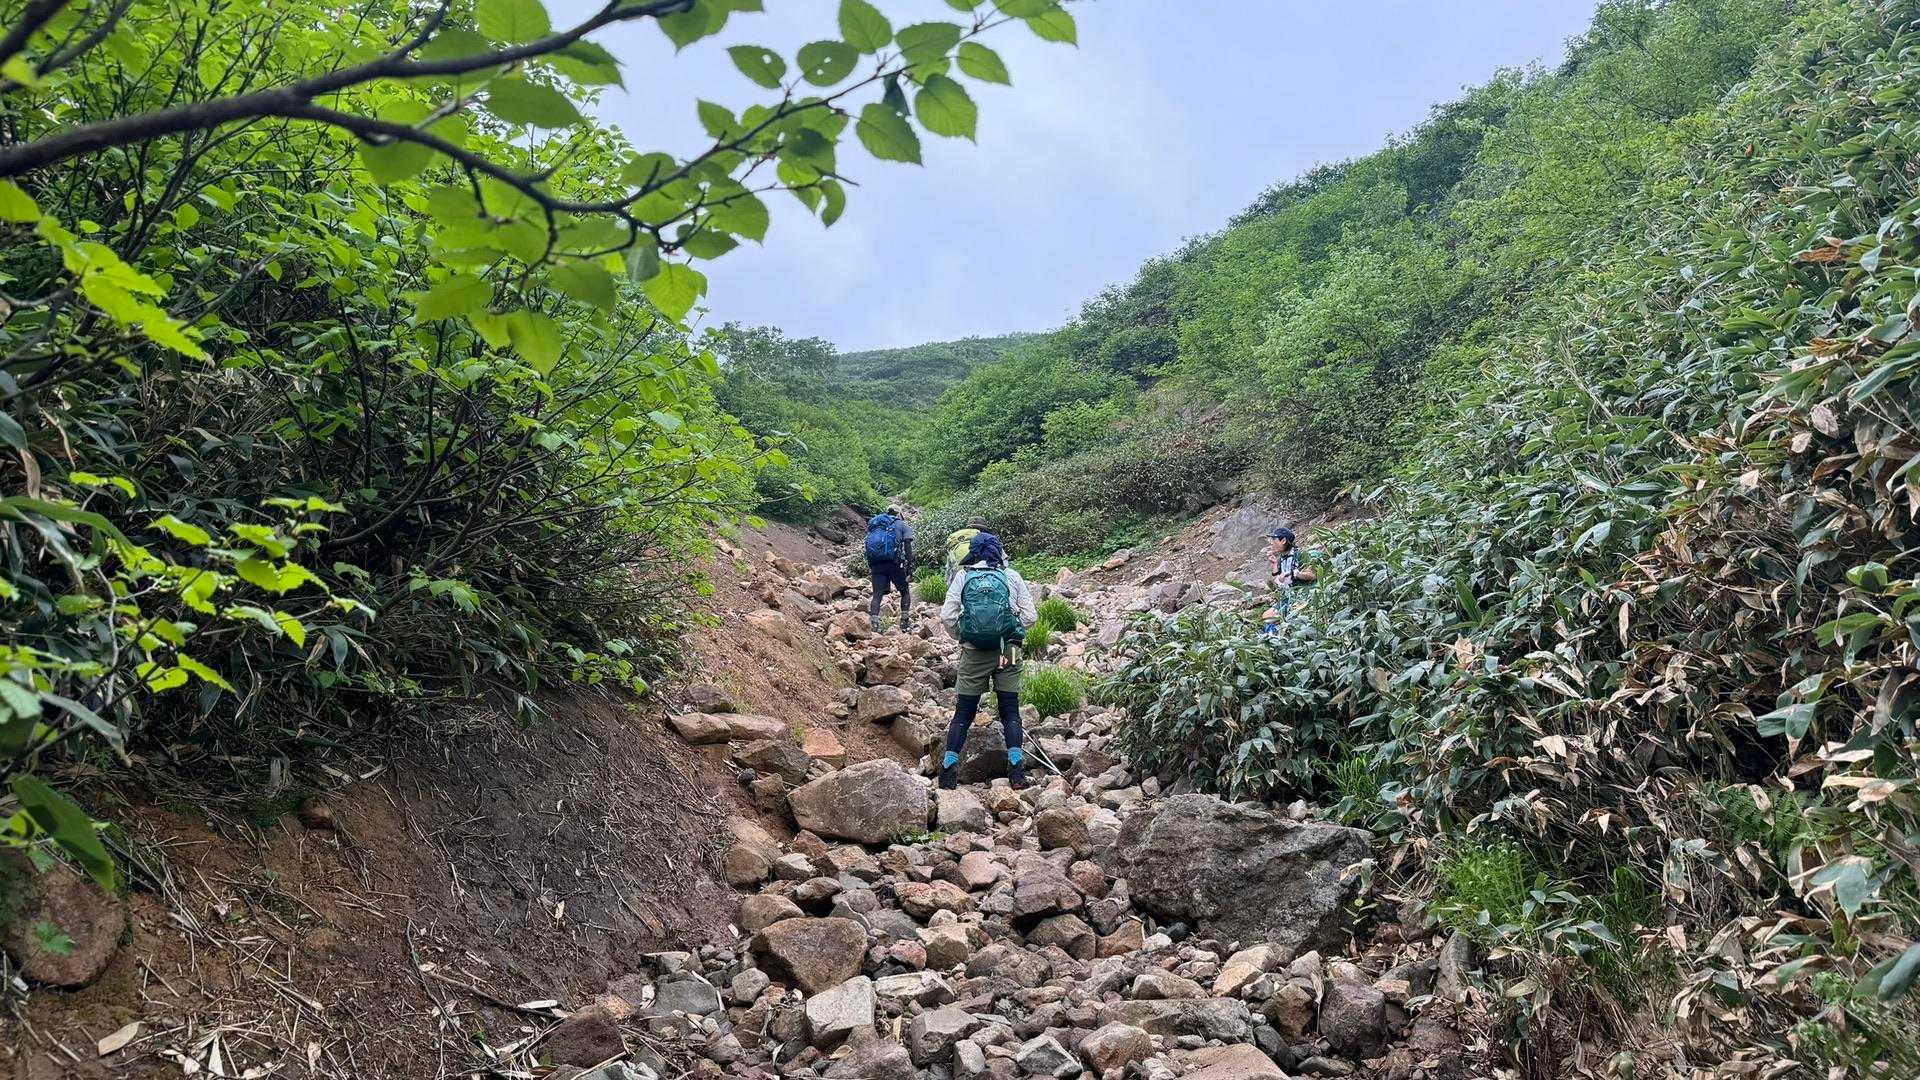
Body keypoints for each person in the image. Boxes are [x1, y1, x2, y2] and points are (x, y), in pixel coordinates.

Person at [938, 531, 1038, 789]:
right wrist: (1013, 632)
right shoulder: (1011, 576)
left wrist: (964, 636)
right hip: (1009, 651)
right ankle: (1016, 773)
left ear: (974, 552)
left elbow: (947, 616)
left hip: (973, 652)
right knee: (1010, 710)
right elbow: (1031, 616)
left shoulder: (963, 576)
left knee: (963, 713)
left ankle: (948, 773)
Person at [864, 506, 915, 632]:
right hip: (894, 564)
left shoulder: (877, 525)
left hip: (876, 564)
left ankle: (874, 625)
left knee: (877, 595)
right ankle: (904, 624)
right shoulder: (901, 524)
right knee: (904, 591)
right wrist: (910, 564)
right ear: (898, 514)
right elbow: (907, 544)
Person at [1260, 526, 1316, 633]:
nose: (1272, 544)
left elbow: (1312, 575)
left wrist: (1295, 573)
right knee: (1267, 616)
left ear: (1283, 541)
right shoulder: (1281, 559)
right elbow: (1279, 582)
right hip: (1287, 597)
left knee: (1293, 618)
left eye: (1274, 540)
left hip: (1302, 596)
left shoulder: (1300, 555)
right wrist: (1274, 564)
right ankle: (1273, 639)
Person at [942, 519, 991, 584]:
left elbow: (949, 575)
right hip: (988, 584)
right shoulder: (991, 542)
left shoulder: (955, 545)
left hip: (961, 583)